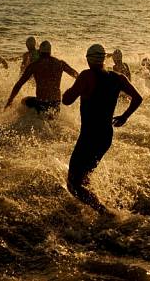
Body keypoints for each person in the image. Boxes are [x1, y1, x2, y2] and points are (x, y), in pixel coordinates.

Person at [61, 44, 143, 214]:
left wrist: (70, 90)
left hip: (89, 136)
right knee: (84, 177)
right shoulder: (118, 78)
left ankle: (103, 212)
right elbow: (138, 98)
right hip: (106, 136)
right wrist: (124, 116)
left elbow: (67, 100)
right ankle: (97, 207)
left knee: (73, 184)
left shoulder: (86, 76)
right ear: (104, 59)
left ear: (89, 60)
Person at [5, 40, 79, 115]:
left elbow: (19, 84)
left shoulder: (34, 65)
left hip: (41, 103)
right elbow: (76, 75)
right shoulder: (60, 63)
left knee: (23, 101)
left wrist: (10, 100)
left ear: (40, 51)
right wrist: (74, 90)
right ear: (50, 52)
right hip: (56, 103)